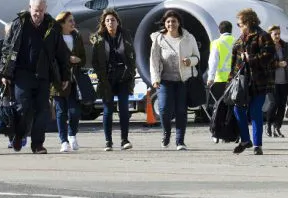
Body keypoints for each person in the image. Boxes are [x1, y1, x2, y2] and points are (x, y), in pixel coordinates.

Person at [0, 0, 70, 154]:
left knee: (43, 110)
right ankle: (19, 135)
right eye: (36, 10)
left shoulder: (52, 27)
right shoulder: (19, 24)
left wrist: (65, 75)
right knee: (23, 108)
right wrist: (4, 74)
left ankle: (37, 144)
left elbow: (61, 53)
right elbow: (7, 49)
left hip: (43, 75)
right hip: (22, 74)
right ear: (30, 8)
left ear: (45, 9)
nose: (38, 14)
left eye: (41, 11)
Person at [149, 9, 201, 150]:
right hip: (165, 80)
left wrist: (190, 61)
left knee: (181, 111)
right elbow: (154, 60)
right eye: (168, 21)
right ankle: (166, 133)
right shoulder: (159, 39)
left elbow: (197, 57)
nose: (171, 24)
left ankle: (180, 141)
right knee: (164, 109)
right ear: (165, 23)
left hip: (183, 80)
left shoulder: (189, 38)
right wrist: (155, 78)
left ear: (179, 23)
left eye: (174, 21)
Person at [229, 8, 276, 155]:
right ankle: (245, 140)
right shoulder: (240, 40)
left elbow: (269, 56)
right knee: (238, 109)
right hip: (243, 83)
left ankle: (257, 145)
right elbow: (234, 63)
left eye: (240, 24)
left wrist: (252, 59)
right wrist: (230, 80)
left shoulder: (263, 36)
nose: (239, 26)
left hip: (260, 82)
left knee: (255, 111)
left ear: (249, 22)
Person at [93, 8, 138, 151]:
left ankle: (124, 139)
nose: (110, 23)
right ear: (104, 23)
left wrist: (131, 71)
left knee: (124, 108)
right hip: (107, 78)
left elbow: (132, 54)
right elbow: (95, 61)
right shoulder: (99, 38)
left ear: (118, 22)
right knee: (108, 110)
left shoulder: (125, 35)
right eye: (107, 20)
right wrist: (101, 76)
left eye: (112, 20)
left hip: (123, 77)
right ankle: (108, 141)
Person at [53, 11, 87, 152]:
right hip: (58, 79)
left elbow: (83, 58)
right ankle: (63, 141)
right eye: (70, 21)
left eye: (73, 20)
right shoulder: (55, 37)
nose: (73, 23)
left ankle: (72, 134)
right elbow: (52, 58)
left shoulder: (77, 36)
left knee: (74, 111)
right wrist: (68, 59)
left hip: (74, 79)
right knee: (61, 111)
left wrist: (78, 60)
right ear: (62, 23)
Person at [266, 25, 288, 138]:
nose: (277, 36)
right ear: (270, 35)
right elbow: (264, 63)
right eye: (275, 34)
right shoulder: (266, 47)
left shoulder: (285, 46)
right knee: (274, 103)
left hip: (284, 81)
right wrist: (277, 64)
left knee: (282, 105)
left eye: (279, 34)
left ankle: (277, 127)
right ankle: (268, 124)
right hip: (272, 82)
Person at [206, 21, 234, 143]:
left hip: (220, 79)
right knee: (230, 108)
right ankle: (229, 134)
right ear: (231, 30)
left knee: (218, 108)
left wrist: (210, 77)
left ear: (219, 30)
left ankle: (216, 133)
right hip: (234, 80)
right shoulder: (237, 41)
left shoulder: (216, 43)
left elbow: (213, 61)